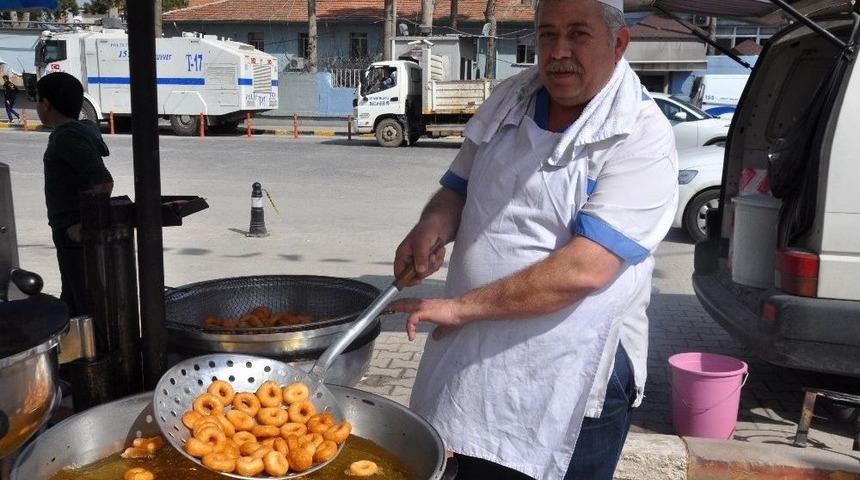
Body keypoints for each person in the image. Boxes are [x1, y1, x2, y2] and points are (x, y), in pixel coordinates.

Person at [388, 1, 678, 479]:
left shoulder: (641, 136)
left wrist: (459, 307)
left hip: (571, 368)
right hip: (477, 352)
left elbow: (587, 267)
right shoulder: (510, 99)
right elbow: (457, 189)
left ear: (619, 43)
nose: (559, 51)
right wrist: (432, 227)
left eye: (578, 35)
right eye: (547, 35)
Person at [36, 72, 113, 316]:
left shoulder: (66, 137)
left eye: (37, 101)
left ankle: (98, 349)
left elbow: (103, 182)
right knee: (71, 297)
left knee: (83, 302)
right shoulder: (81, 130)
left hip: (73, 233)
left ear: (46, 104)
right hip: (68, 232)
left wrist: (83, 224)